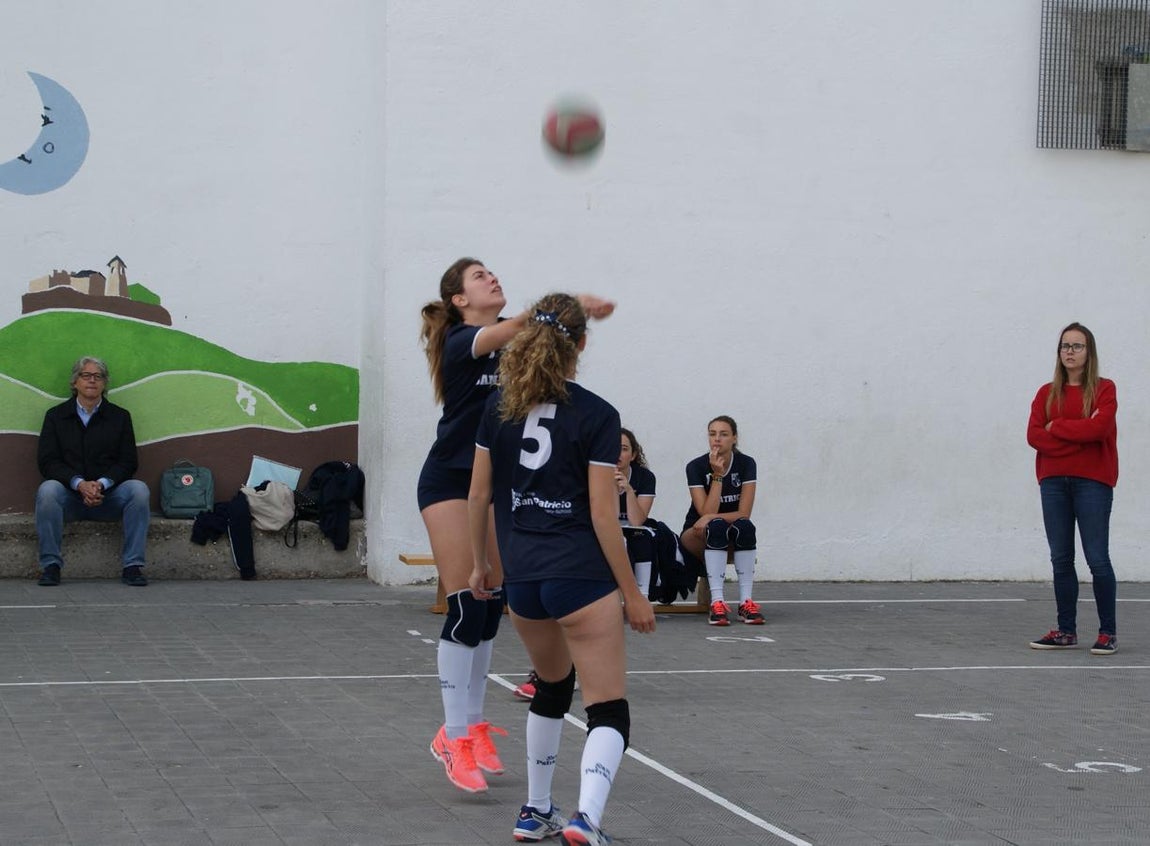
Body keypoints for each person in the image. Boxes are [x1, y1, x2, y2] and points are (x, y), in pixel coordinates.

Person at [417, 258, 614, 792]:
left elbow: (544, 350)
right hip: (451, 483)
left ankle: (472, 724)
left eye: (492, 272)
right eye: (479, 276)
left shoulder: (515, 345)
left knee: (487, 607)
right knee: (463, 603)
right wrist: (562, 306)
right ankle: (452, 736)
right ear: (459, 300)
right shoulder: (462, 341)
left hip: (495, 488)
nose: (492, 278)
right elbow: (522, 326)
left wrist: (572, 325)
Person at [468, 293, 655, 846]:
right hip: (580, 574)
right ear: (581, 345)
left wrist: (481, 565)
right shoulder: (597, 414)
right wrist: (634, 594)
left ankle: (536, 810)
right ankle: (586, 819)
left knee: (551, 688)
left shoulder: (498, 406)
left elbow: (478, 495)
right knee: (608, 707)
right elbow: (603, 514)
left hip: (523, 578)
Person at [1026, 322, 1119, 655]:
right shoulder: (1045, 393)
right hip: (1053, 483)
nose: (1069, 351)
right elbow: (1035, 436)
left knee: (1097, 558)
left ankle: (1107, 632)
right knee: (1061, 559)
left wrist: (1058, 428)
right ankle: (1066, 631)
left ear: (1088, 352)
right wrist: (1078, 438)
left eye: (1077, 346)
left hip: (1093, 484)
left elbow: (1100, 428)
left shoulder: (1104, 390)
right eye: (1065, 346)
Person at [35, 356, 150, 587]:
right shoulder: (56, 417)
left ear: (105, 384)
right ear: (74, 382)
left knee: (138, 490)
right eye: (86, 375)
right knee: (47, 491)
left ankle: (133, 566)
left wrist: (101, 484)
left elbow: (128, 462)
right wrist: (78, 484)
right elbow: (48, 462)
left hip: (108, 497)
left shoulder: (120, 417)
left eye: (98, 376)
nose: (92, 381)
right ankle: (51, 566)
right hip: (70, 498)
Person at [680, 415, 762, 626]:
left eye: (723, 434)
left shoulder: (746, 464)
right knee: (716, 527)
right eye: (712, 434)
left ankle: (746, 602)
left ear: (734, 438)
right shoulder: (696, 466)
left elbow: (744, 512)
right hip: (696, 534)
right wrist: (717, 476)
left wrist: (711, 516)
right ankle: (717, 603)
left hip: (732, 532)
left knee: (745, 526)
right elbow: (704, 512)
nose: (717, 439)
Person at [616, 427, 657, 597]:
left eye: (624, 449)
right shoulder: (594, 475)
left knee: (642, 537)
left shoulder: (644, 477)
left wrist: (628, 490)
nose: (617, 453)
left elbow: (637, 521)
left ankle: (643, 596)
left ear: (632, 455)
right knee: (617, 540)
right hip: (605, 528)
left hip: (632, 529)